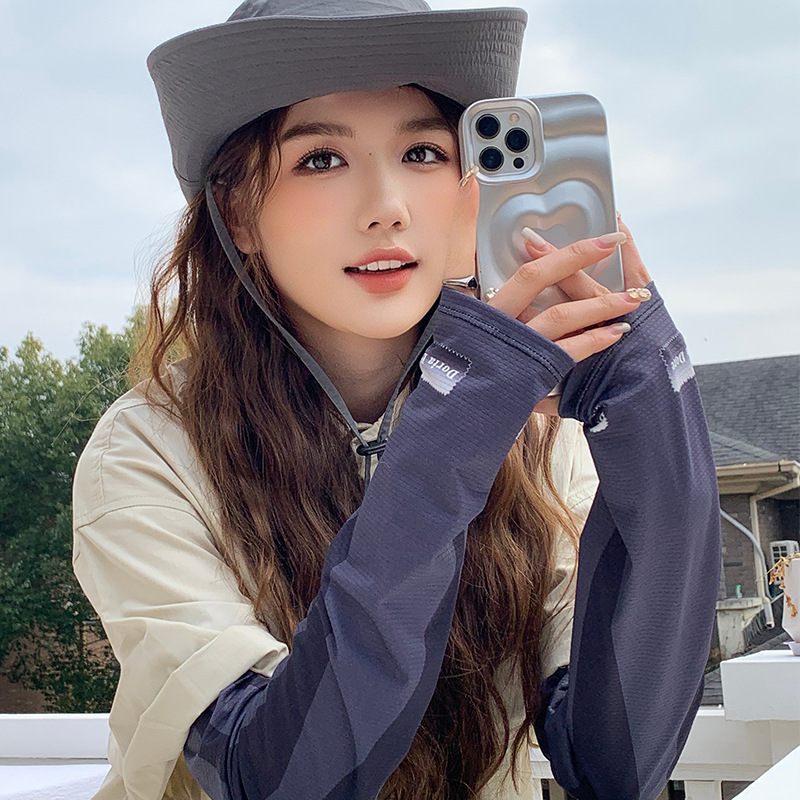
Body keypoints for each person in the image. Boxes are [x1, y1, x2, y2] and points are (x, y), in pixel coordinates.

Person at [71, 1, 721, 799]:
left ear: (470, 191)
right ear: (237, 212)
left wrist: (654, 411)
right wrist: (457, 430)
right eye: (320, 159)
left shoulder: (538, 432)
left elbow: (617, 761)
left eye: (422, 152)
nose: (388, 205)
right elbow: (279, 781)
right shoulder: (147, 451)